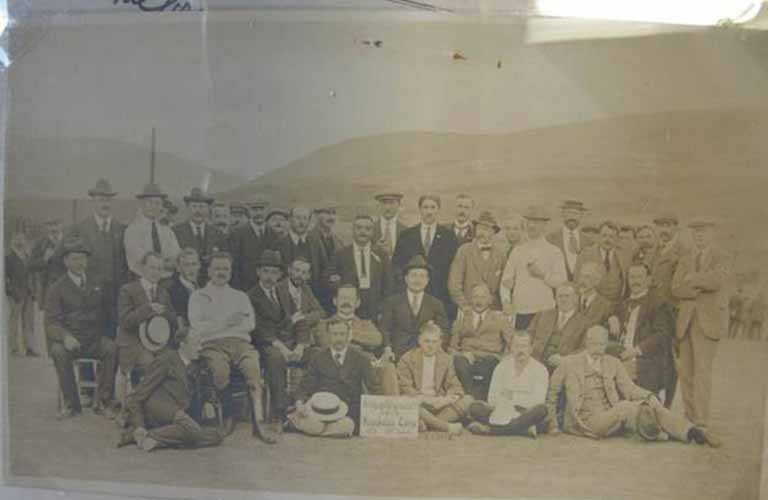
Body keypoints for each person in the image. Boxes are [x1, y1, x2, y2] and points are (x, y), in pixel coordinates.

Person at [545, 326, 720, 448]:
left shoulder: (613, 363)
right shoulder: (569, 363)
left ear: (606, 344)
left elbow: (629, 389)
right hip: (586, 422)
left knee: (650, 405)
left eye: (602, 344)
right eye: (593, 343)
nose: (598, 348)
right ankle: (652, 430)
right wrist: (553, 425)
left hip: (612, 417)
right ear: (586, 343)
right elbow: (552, 395)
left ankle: (691, 432)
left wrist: (650, 396)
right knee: (627, 407)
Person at [188, 251, 277, 443]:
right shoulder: (198, 296)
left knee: (253, 371)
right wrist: (228, 321)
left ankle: (258, 424)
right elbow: (198, 327)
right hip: (212, 345)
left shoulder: (240, 296)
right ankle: (228, 416)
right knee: (220, 372)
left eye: (225, 269)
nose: (222, 272)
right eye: (217, 268)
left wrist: (215, 323)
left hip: (240, 344)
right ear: (209, 270)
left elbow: (249, 324)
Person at [116, 332, 230, 451]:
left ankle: (156, 439)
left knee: (217, 436)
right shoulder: (165, 360)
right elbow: (138, 395)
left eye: (201, 344)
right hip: (159, 408)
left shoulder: (197, 364)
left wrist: (207, 402)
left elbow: (202, 389)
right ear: (182, 345)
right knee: (192, 430)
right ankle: (150, 435)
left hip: (178, 412)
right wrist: (139, 425)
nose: (200, 348)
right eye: (196, 344)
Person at [45, 239, 117, 419]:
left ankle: (102, 401)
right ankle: (71, 404)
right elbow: (51, 323)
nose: (80, 263)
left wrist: (109, 335)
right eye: (75, 259)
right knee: (58, 352)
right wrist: (65, 337)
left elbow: (109, 314)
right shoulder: (56, 288)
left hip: (93, 339)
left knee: (112, 348)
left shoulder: (98, 283)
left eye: (83, 259)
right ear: (66, 262)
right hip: (70, 341)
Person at [250, 254, 325, 421]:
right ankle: (279, 410)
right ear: (258, 273)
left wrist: (300, 344)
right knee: (276, 359)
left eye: (274, 273)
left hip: (290, 342)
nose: (270, 277)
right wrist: (283, 349)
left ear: (279, 275)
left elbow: (298, 319)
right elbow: (258, 329)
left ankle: (307, 403)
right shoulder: (251, 296)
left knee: (318, 355)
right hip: (267, 344)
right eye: (266, 272)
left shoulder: (282, 291)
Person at [672, 218, 731, 428]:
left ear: (712, 233)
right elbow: (676, 288)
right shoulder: (685, 258)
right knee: (686, 371)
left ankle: (701, 419)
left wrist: (693, 279)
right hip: (686, 321)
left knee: (702, 372)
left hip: (708, 322)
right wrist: (697, 286)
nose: (699, 235)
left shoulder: (722, 256)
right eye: (695, 232)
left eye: (703, 232)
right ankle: (689, 416)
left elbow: (717, 281)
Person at [66, 178, 129, 340]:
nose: (105, 203)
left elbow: (127, 265)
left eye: (108, 199)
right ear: (93, 201)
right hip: (88, 300)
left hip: (115, 300)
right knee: (88, 342)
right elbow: (63, 260)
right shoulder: (79, 229)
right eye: (101, 199)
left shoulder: (122, 230)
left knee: (111, 345)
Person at [291, 318, 378, 434]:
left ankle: (323, 430)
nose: (338, 338)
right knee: (313, 424)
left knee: (347, 425)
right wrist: (299, 403)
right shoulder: (318, 358)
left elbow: (373, 387)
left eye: (342, 334)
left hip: (348, 410)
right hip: (321, 409)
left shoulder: (361, 359)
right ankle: (323, 429)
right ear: (328, 336)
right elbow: (305, 386)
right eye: (334, 334)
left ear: (348, 335)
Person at [606, 263, 675, 403]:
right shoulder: (624, 304)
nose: (635, 281)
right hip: (622, 354)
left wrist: (636, 351)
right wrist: (611, 318)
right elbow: (610, 315)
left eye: (639, 277)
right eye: (632, 277)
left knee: (613, 372)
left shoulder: (659, 303)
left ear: (648, 279)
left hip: (647, 359)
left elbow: (662, 336)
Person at [314, 284, 399, 395]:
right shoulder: (324, 324)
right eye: (343, 298)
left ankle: (392, 408)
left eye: (351, 299)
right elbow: (327, 344)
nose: (347, 302)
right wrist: (365, 355)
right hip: (340, 368)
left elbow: (377, 339)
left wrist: (353, 335)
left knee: (388, 367)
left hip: (368, 367)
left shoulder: (365, 324)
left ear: (357, 303)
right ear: (335, 301)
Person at [467, 331, 549, 438]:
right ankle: (522, 430)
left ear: (531, 349)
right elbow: (492, 398)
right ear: (511, 348)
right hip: (501, 410)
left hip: (525, 413)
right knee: (475, 407)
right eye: (516, 346)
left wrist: (511, 396)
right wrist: (515, 400)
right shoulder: (502, 367)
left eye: (524, 346)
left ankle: (491, 430)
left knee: (541, 410)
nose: (520, 350)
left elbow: (538, 400)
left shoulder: (540, 370)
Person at [392, 194, 459, 319]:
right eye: (425, 207)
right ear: (420, 209)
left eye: (433, 207)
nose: (429, 211)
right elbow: (397, 266)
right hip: (412, 297)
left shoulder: (449, 236)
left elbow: (454, 269)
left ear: (438, 209)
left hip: (441, 298)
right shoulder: (406, 236)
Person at [398, 321, 472, 435]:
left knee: (468, 400)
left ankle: (427, 423)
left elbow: (454, 385)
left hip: (439, 404)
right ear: (419, 341)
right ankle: (445, 426)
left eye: (434, 341)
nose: (430, 345)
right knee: (405, 401)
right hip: (419, 402)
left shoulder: (446, 359)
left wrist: (447, 398)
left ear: (440, 343)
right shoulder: (407, 359)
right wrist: (424, 399)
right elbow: (404, 387)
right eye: (426, 341)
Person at [500, 205, 567, 330]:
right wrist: (506, 301)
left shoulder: (554, 251)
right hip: (521, 311)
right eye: (529, 222)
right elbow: (505, 282)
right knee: (521, 345)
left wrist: (542, 275)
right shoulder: (517, 251)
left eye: (536, 222)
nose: (531, 226)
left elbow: (562, 282)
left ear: (545, 225)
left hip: (545, 310)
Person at [117, 252, 177, 377]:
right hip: (133, 344)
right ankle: (144, 396)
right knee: (153, 366)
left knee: (175, 363)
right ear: (143, 268)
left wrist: (165, 313)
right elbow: (124, 321)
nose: (156, 272)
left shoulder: (163, 293)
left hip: (158, 344)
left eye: (159, 269)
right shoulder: (128, 290)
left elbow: (173, 321)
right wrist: (147, 309)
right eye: (152, 267)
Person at [380, 255, 449, 361]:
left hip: (426, 354)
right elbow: (385, 329)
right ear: (406, 278)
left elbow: (443, 331)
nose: (418, 280)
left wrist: (437, 350)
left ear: (427, 280)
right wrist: (387, 349)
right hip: (398, 354)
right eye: (414, 275)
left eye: (422, 276)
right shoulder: (392, 302)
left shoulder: (436, 304)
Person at [325, 214, 393, 321]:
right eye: (359, 228)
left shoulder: (382, 255)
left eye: (367, 229)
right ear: (353, 230)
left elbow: (388, 285)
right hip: (349, 308)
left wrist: (383, 310)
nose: (363, 232)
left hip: (374, 309)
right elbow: (328, 279)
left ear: (372, 231)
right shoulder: (340, 254)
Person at [450, 284, 511, 400]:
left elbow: (511, 342)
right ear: (470, 299)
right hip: (467, 357)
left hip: (490, 357)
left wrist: (505, 359)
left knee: (487, 366)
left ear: (490, 300)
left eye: (483, 297)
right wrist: (461, 354)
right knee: (459, 363)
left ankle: (472, 400)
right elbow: (453, 345)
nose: (479, 301)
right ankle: (471, 399)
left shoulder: (499, 318)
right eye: (475, 297)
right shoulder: (463, 318)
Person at [448, 211, 506, 313]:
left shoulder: (501, 254)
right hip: (468, 309)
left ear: (494, 232)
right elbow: (454, 284)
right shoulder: (464, 251)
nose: (482, 233)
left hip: (493, 310)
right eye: (480, 228)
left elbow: (505, 284)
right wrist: (464, 305)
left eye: (487, 229)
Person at [124, 182, 181, 280]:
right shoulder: (133, 230)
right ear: (142, 204)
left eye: (157, 203)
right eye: (150, 202)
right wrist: (166, 262)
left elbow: (177, 256)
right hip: (142, 281)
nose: (154, 206)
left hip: (166, 282)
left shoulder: (167, 231)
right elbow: (141, 259)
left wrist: (171, 262)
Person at [528, 282, 588, 373]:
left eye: (567, 296)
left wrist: (565, 360)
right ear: (555, 299)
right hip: (535, 363)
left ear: (575, 298)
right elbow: (528, 336)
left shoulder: (584, 322)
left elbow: (585, 349)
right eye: (560, 296)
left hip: (563, 368)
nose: (563, 300)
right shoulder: (543, 315)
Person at [172, 187, 228, 282]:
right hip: (186, 283)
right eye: (194, 207)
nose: (198, 211)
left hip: (211, 283)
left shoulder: (217, 233)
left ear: (208, 209)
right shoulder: (176, 231)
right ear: (188, 208)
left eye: (202, 207)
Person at [274, 206, 328, 303]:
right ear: (290, 219)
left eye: (305, 218)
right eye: (297, 218)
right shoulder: (279, 244)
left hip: (313, 297)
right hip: (287, 298)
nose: (301, 222)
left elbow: (324, 268)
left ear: (309, 221)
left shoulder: (316, 242)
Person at [573, 221, 625, 305]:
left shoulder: (623, 255)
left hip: (617, 305)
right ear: (598, 236)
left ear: (617, 239)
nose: (607, 240)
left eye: (611, 236)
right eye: (604, 235)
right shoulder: (586, 255)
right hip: (593, 305)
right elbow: (577, 281)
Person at [228, 196, 274, 292]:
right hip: (245, 288)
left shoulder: (273, 234)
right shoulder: (237, 233)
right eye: (254, 209)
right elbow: (234, 266)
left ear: (267, 210)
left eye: (261, 209)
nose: (258, 213)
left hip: (268, 287)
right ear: (248, 211)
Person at [310, 201, 345, 313]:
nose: (331, 217)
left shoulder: (338, 241)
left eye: (333, 213)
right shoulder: (309, 238)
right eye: (326, 213)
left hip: (333, 297)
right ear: (316, 215)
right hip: (315, 297)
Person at [6, 233, 37, 356]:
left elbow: (32, 274)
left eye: (23, 240)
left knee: (29, 322)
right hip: (16, 295)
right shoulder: (8, 258)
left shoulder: (28, 256)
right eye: (18, 240)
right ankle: (14, 349)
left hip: (29, 294)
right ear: (13, 243)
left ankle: (29, 348)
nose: (21, 242)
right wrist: (11, 292)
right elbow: (5, 278)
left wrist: (34, 291)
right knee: (14, 322)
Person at [546, 200, 591, 282]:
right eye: (569, 213)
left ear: (581, 216)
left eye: (576, 214)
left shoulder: (589, 241)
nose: (572, 217)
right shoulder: (550, 239)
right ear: (563, 214)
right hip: (558, 288)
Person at [651, 213, 688, 306]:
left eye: (667, 226)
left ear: (676, 228)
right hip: (654, 305)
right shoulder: (655, 250)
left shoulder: (683, 252)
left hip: (672, 307)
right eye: (660, 226)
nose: (663, 230)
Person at [30, 217, 66, 307]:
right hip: (47, 286)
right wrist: (44, 259)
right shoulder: (40, 244)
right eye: (50, 225)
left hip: (67, 285)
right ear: (46, 227)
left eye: (56, 224)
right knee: (49, 315)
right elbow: (31, 265)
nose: (54, 228)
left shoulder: (70, 241)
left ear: (62, 226)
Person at [165, 248, 202, 333]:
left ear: (199, 265)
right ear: (178, 268)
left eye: (194, 264)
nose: (191, 269)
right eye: (187, 265)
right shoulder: (171, 291)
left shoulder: (202, 289)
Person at [576, 262, 614, 328]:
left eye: (587, 277)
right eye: (581, 276)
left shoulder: (605, 306)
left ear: (597, 281)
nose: (582, 281)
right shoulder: (572, 299)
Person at [371, 192, 406, 264]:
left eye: (391, 203)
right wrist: (376, 248)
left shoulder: (406, 231)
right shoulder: (370, 229)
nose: (388, 207)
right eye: (384, 203)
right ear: (379, 205)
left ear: (399, 205)